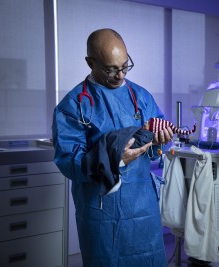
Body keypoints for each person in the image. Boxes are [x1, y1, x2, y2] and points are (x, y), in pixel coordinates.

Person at [52, 28, 173, 266]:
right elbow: (68, 162)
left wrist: (159, 141)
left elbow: (153, 147)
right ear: (90, 62)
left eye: (125, 66)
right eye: (111, 69)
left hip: (142, 206)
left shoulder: (141, 96)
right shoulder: (73, 106)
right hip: (101, 210)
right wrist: (117, 160)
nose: (120, 75)